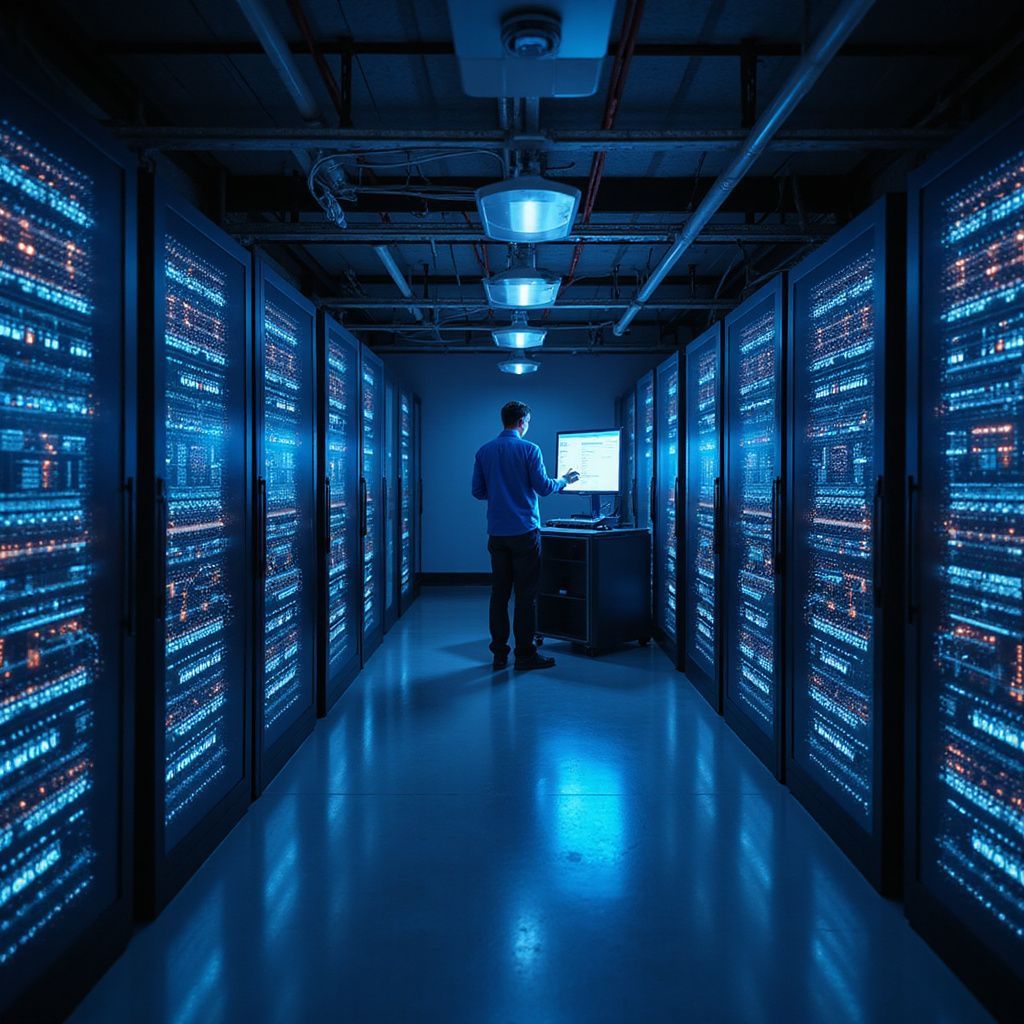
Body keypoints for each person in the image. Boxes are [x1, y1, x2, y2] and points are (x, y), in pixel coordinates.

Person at [472, 401, 579, 671]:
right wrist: (564, 480)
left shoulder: (484, 451)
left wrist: (500, 492)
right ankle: (524, 655)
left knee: (499, 594)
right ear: (521, 422)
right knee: (526, 596)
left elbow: (478, 491)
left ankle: (498, 654)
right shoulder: (530, 449)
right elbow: (543, 488)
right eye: (528, 422)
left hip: (497, 533)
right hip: (524, 533)